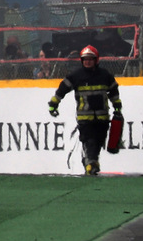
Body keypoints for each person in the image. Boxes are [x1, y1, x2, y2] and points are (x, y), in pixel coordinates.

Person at [47, 45, 123, 176]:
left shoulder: (105, 75)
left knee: (99, 141)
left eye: (90, 59)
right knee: (89, 141)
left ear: (96, 60)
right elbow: (62, 89)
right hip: (85, 119)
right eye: (85, 59)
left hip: (102, 118)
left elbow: (114, 91)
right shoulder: (76, 76)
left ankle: (90, 161)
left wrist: (117, 106)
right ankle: (91, 163)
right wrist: (54, 103)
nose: (87, 61)